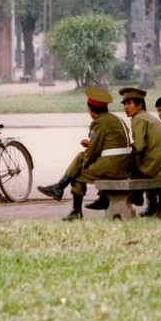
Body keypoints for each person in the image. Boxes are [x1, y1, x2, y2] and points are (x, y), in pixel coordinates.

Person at [37, 87, 131, 221]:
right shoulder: (116, 119)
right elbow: (109, 143)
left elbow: (92, 152)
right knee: (80, 163)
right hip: (122, 164)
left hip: (112, 167)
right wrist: (90, 145)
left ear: (91, 110)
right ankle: (60, 188)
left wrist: (84, 162)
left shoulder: (99, 122)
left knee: (78, 170)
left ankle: (70, 202)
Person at [86, 87, 161, 211]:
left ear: (140, 105)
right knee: (121, 160)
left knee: (115, 163)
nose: (126, 107)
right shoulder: (148, 117)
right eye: (124, 104)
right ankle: (134, 195)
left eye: (129, 103)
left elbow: (139, 147)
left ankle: (105, 198)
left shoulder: (138, 119)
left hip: (152, 167)